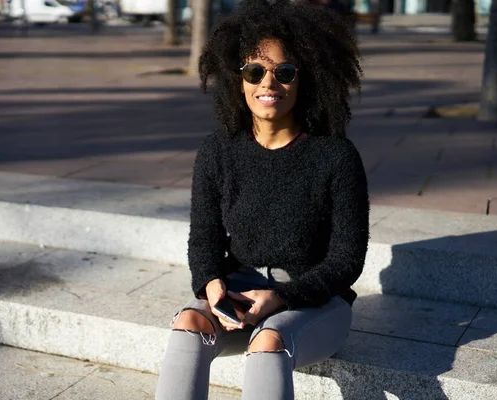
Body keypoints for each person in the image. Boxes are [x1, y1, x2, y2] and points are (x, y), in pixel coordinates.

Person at [155, 0, 369, 399]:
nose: (268, 84)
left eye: (283, 72)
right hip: (240, 292)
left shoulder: (336, 157)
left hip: (313, 300)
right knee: (189, 321)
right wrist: (211, 284)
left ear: (305, 80)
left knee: (268, 342)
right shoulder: (218, 151)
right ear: (239, 80)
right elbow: (204, 238)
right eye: (255, 71)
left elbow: (346, 261)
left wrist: (282, 297)